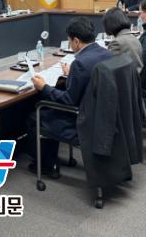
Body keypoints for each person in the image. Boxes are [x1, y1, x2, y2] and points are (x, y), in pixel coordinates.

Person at [27, 17, 111, 178]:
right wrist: (72, 75)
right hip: (103, 115)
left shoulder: (80, 63)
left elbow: (69, 101)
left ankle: (46, 165)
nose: (70, 45)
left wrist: (44, 87)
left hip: (84, 120)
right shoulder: (105, 53)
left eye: (70, 41)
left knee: (36, 116)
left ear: (76, 41)